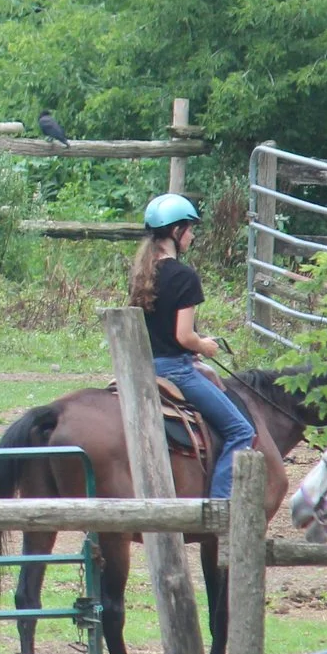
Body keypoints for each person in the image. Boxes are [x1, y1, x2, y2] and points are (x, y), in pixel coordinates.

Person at [130, 193, 251, 499]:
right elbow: (184, 337)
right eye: (190, 228)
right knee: (241, 431)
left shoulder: (141, 273)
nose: (193, 235)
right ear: (175, 232)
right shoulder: (184, 276)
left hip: (142, 367)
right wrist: (205, 346)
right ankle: (223, 506)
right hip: (175, 370)